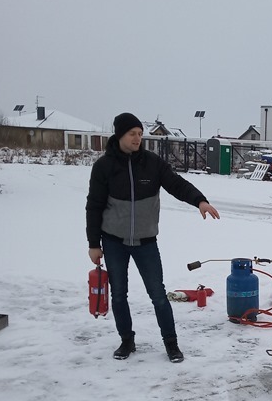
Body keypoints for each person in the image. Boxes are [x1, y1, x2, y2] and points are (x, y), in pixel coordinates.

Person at [86, 112, 220, 363]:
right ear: (120, 135)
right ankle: (126, 341)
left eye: (139, 133)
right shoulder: (104, 167)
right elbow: (93, 206)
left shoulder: (152, 163)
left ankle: (171, 343)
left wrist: (199, 200)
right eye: (132, 134)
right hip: (113, 241)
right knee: (118, 295)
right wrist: (94, 244)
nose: (138, 138)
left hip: (146, 242)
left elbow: (177, 184)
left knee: (158, 295)